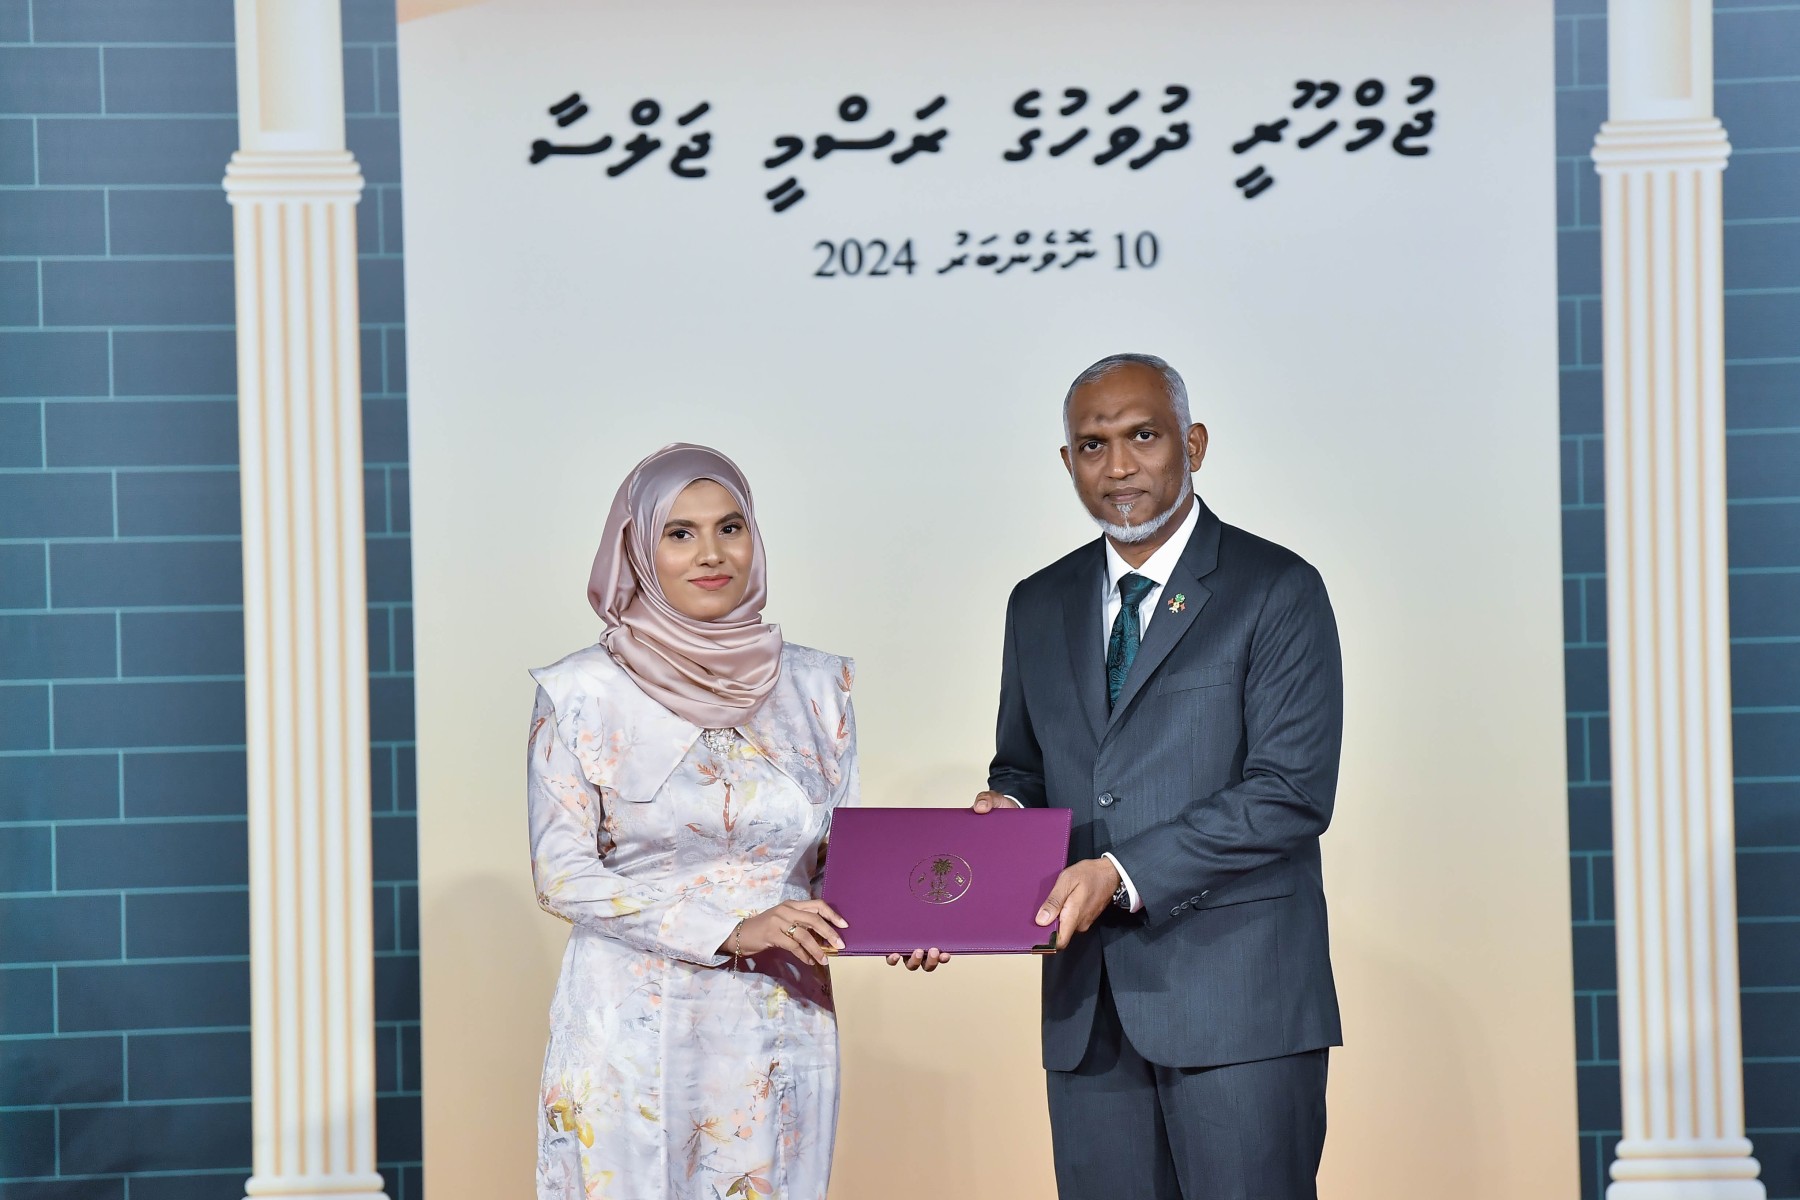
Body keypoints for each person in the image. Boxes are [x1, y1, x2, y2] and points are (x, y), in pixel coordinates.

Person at [961, 353, 1344, 1198]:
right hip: (1088, 1014)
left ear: (1193, 444)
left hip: (1240, 1007)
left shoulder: (1275, 588)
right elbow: (1023, 765)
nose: (1118, 467)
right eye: (1092, 446)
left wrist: (1123, 872)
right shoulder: (1037, 603)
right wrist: (1006, 814)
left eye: (1143, 436)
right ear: (1068, 462)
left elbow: (1290, 792)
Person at [527, 443, 857, 1200]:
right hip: (633, 1024)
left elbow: (840, 860)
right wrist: (728, 927)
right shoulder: (582, 693)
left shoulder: (818, 687)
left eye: (730, 528)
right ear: (639, 550)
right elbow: (562, 873)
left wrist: (910, 921)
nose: (711, 553)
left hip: (779, 1022)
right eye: (680, 533)